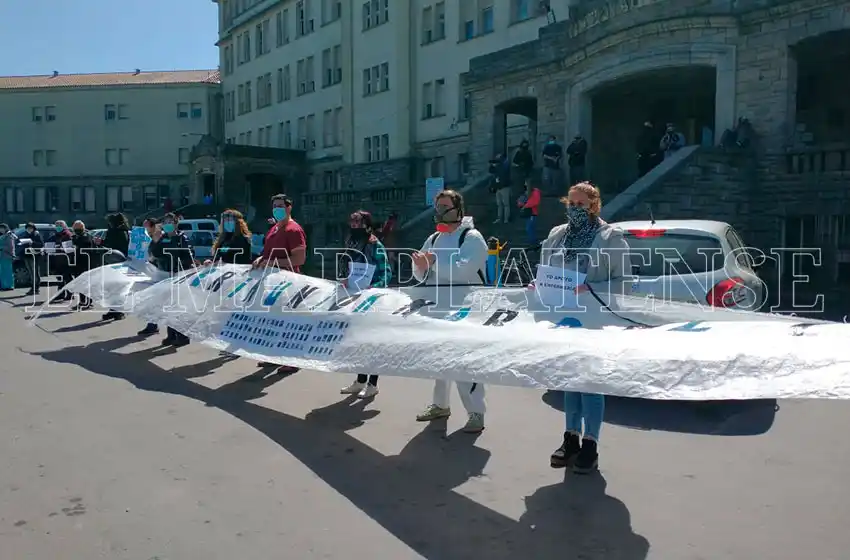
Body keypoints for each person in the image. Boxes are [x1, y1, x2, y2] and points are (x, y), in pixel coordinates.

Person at [540, 181, 631, 474]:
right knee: (569, 379)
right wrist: (538, 285)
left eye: (581, 205)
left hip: (593, 320)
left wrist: (590, 288)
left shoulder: (610, 237)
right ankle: (571, 438)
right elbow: (546, 270)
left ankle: (590, 444)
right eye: (571, 204)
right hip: (564, 318)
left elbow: (624, 282)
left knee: (590, 383)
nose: (575, 209)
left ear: (594, 206)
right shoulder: (558, 234)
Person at [411, 189, 489, 433]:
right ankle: (440, 405)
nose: (441, 211)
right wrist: (422, 267)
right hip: (437, 307)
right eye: (438, 206)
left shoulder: (472, 237)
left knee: (466, 362)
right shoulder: (434, 238)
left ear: (458, 208)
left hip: (465, 308)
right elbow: (420, 271)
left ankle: (476, 412)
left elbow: (464, 271)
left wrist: (433, 263)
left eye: (445, 206)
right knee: (438, 359)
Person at [339, 210, 393, 399]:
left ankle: (373, 384)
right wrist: (345, 279)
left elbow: (386, 272)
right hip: (354, 297)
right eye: (352, 224)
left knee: (372, 342)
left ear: (367, 226)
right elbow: (347, 266)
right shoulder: (350, 243)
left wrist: (374, 287)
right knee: (357, 341)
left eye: (358, 224)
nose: (354, 227)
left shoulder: (375, 245)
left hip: (372, 298)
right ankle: (360, 380)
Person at [253, 194, 307, 374]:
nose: (277, 209)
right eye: (274, 206)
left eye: (280, 206)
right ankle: (273, 356)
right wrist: (262, 258)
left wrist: (272, 263)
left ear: (289, 207)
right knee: (273, 321)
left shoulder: (294, 230)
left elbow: (299, 258)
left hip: (288, 282)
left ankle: (291, 360)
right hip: (272, 282)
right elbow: (269, 253)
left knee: (288, 322)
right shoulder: (275, 228)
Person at [149, 213, 195, 347]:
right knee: (168, 306)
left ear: (175, 223)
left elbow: (188, 255)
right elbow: (154, 254)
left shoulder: (182, 238)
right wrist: (155, 242)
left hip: (179, 274)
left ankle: (182, 336)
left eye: (170, 221)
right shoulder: (161, 238)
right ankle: (171, 335)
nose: (167, 224)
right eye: (165, 222)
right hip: (165, 274)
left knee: (179, 307)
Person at [101, 213, 131, 320]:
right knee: (111, 288)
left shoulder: (120, 232)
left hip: (118, 262)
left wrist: (103, 243)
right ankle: (113, 309)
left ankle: (119, 311)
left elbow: (118, 247)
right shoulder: (115, 231)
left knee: (118, 288)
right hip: (113, 261)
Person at [137, 218, 162, 337]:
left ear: (153, 226)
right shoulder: (148, 239)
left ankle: (153, 325)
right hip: (151, 271)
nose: (144, 229)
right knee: (152, 300)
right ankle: (152, 325)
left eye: (146, 226)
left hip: (159, 272)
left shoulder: (158, 238)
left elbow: (158, 253)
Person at [69, 221, 95, 311]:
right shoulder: (74, 237)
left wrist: (77, 247)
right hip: (77, 263)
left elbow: (89, 250)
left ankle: (87, 302)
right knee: (80, 284)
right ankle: (82, 301)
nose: (77, 231)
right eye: (75, 229)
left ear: (83, 229)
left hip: (85, 264)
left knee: (86, 284)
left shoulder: (87, 237)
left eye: (79, 229)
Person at [19, 222, 44, 296]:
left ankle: (36, 288)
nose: (29, 229)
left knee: (35, 272)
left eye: (31, 228)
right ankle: (33, 287)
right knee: (30, 272)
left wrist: (32, 243)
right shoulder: (24, 235)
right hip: (27, 256)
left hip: (35, 255)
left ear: (33, 228)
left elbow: (41, 244)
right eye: (28, 228)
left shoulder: (36, 235)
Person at [489, 152, 512, 224]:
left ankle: (506, 219)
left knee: (506, 204)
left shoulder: (504, 166)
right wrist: (492, 165)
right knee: (499, 204)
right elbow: (491, 171)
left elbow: (504, 174)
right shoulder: (496, 168)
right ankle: (499, 218)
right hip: (498, 188)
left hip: (505, 187)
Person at [517, 180, 541, 247]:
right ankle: (533, 242)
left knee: (530, 228)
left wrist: (525, 206)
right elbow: (520, 201)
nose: (526, 185)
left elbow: (535, 201)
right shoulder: (525, 192)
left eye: (526, 184)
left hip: (532, 213)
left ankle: (533, 243)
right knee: (529, 228)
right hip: (528, 213)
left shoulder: (535, 191)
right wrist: (521, 204)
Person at [0, 223, 15, 291]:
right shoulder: (2, 236)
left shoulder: (9, 236)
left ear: (6, 228)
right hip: (2, 256)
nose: (1, 230)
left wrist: (1, 247)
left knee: (8, 271)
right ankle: (4, 286)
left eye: (2, 228)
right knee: (2, 271)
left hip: (7, 256)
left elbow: (10, 247)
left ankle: (9, 285)